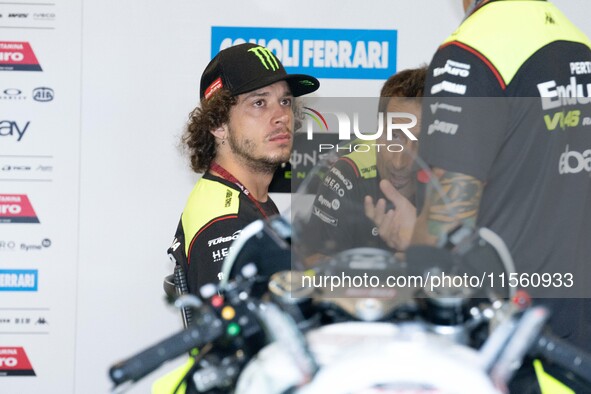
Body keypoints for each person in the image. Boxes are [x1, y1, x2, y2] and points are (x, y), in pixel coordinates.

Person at [410, 0, 591, 391]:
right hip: (575, 347)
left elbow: (445, 227)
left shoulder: (473, 49)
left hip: (509, 348)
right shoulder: (576, 41)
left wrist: (407, 251)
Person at [168, 43, 319, 296]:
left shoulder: (241, 197)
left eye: (285, 101)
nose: (281, 115)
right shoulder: (225, 220)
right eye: (259, 103)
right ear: (218, 124)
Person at [302, 67, 426, 261]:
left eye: (421, 141)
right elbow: (313, 261)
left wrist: (420, 245)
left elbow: (477, 274)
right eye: (394, 136)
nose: (400, 162)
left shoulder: (456, 178)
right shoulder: (350, 171)